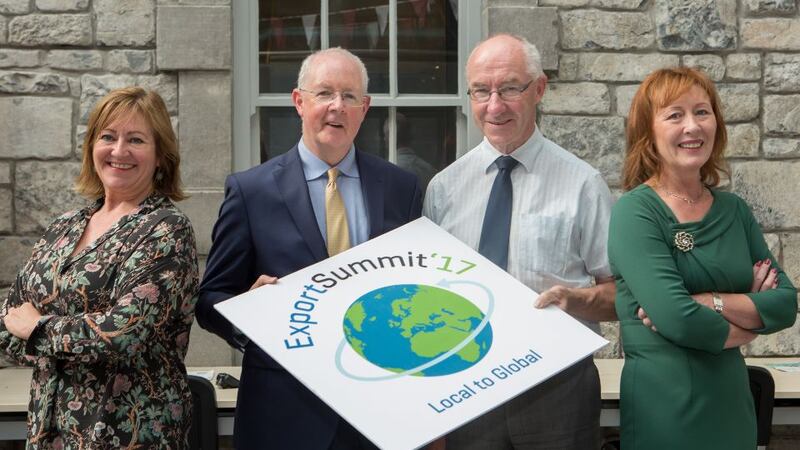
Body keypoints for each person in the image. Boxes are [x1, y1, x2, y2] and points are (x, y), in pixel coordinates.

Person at [196, 47, 422, 449]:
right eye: (324, 93)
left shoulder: (402, 188)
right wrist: (249, 316)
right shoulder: (252, 191)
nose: (337, 106)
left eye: (349, 96)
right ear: (299, 101)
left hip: (377, 414)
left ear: (365, 108)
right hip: (283, 415)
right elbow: (210, 298)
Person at [423, 34, 616, 449]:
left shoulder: (584, 184)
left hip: (557, 391)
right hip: (466, 391)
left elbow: (623, 295)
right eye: (481, 91)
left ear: (539, 89)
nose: (495, 105)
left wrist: (576, 301)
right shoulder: (443, 189)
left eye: (510, 88)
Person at [608, 67, 797, 449]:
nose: (692, 126)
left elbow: (785, 303)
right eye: (674, 115)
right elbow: (677, 318)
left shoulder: (734, 210)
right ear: (648, 131)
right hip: (666, 412)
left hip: (731, 406)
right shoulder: (635, 213)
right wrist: (749, 325)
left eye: (702, 112)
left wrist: (710, 302)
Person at [0, 87, 199, 448]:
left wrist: (39, 328)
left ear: (161, 157)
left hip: (127, 432)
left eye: (136, 139)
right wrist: (53, 335)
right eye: (108, 136)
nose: (119, 151)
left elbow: (123, 334)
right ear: (92, 146)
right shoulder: (64, 226)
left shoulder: (165, 228)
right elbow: (8, 323)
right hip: (50, 430)